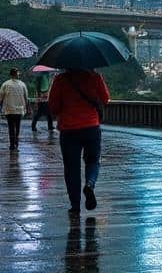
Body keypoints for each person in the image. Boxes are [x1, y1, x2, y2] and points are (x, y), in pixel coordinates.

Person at [47, 69, 110, 215]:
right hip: (91, 127)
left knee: (71, 169)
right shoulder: (95, 76)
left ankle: (75, 205)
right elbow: (105, 99)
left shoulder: (60, 79)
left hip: (69, 130)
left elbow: (53, 107)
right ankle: (89, 184)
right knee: (93, 161)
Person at [0, 68, 29, 151]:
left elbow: (0, 98)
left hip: (9, 109)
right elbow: (26, 98)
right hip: (19, 110)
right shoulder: (22, 84)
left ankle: (12, 144)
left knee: (11, 127)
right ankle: (16, 142)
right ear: (17, 74)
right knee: (17, 126)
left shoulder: (5, 84)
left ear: (10, 75)